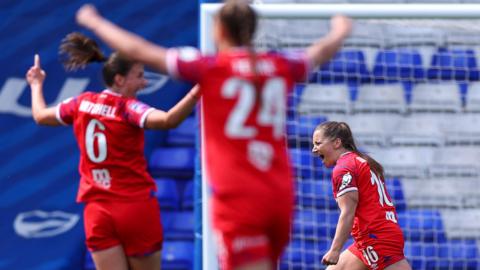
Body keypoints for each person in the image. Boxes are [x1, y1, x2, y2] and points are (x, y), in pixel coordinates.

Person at [76, 1, 351, 269]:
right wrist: (340, 29)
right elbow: (319, 52)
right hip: (279, 192)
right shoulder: (279, 65)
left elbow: (139, 50)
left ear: (218, 30)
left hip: (238, 196)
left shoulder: (211, 67)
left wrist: (95, 21)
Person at [25, 32, 200, 270]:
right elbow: (168, 120)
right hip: (134, 208)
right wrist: (199, 88)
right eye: (139, 76)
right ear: (119, 80)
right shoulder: (127, 108)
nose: (144, 82)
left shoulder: (81, 102)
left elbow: (40, 116)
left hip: (98, 213)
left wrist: (36, 84)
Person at [311, 121, 411, 270]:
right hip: (372, 237)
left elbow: (347, 213)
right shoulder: (361, 161)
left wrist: (335, 250)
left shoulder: (344, 168)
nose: (314, 150)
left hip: (376, 238)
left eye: (318, 143)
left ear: (337, 142)